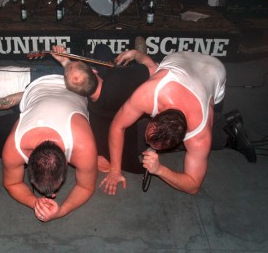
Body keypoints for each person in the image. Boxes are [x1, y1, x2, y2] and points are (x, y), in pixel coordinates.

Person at [101, 49, 256, 195]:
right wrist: (115, 170)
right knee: (134, 134)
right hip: (181, 58)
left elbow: (193, 186)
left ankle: (227, 128)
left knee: (208, 135)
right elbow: (117, 125)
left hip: (213, 70)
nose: (150, 147)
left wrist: (160, 169)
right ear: (154, 116)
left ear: (181, 139)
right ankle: (228, 124)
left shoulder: (199, 135)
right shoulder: (147, 94)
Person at [2, 74, 98, 222]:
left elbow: (86, 187)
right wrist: (35, 202)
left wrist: (62, 211)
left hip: (75, 81)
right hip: (36, 83)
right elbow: (11, 183)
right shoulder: (13, 148)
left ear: (67, 163)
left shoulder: (83, 145)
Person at [50, 42, 150, 173]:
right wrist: (135, 54)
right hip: (141, 111)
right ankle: (139, 58)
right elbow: (153, 69)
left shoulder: (89, 109)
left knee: (100, 49)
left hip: (120, 108)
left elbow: (77, 79)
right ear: (94, 70)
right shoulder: (118, 78)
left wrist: (65, 61)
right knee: (102, 48)